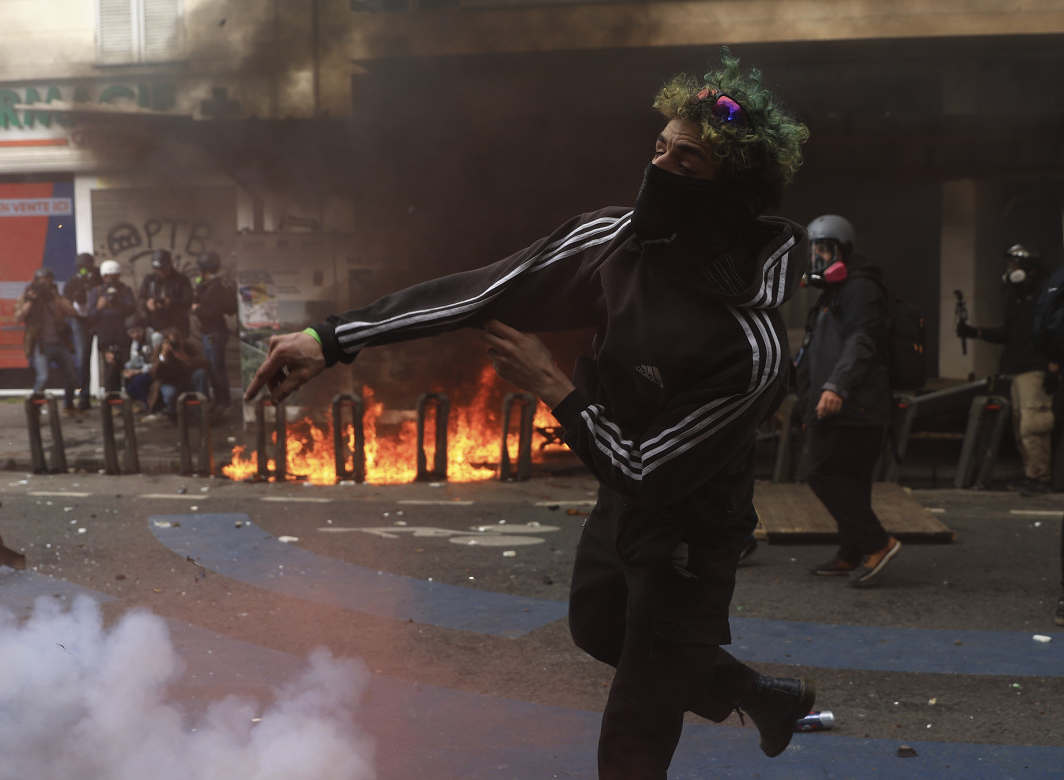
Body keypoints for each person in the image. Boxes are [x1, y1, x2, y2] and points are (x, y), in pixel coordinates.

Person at [245, 49, 815, 779]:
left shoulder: (753, 345)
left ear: (731, 192)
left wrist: (554, 387)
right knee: (597, 623)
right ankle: (758, 697)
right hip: (622, 500)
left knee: (638, 721)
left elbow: (651, 471)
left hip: (690, 529)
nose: (660, 167)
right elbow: (484, 290)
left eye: (689, 161)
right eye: (660, 146)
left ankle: (705, 687)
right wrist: (333, 338)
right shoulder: (615, 242)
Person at [794, 214, 901, 587]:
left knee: (822, 474)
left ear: (842, 250)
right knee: (852, 481)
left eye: (824, 248)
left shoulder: (860, 288)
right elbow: (816, 350)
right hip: (840, 402)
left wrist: (836, 387)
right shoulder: (833, 293)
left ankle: (877, 543)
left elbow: (863, 341)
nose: (816, 257)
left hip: (856, 403)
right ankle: (852, 552)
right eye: (813, 249)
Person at [958, 244, 1053, 496]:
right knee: (1020, 423)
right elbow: (1009, 334)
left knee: (1033, 425)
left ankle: (1040, 477)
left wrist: (1053, 365)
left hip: (1035, 369)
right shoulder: (1018, 297)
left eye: (1015, 265)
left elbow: (1054, 333)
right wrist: (975, 332)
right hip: (1019, 369)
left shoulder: (1045, 296)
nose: (1011, 270)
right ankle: (1030, 473)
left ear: (1029, 269)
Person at [14, 267, 80, 416]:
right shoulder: (27, 297)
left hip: (59, 343)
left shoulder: (55, 297)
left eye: (48, 282)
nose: (45, 286)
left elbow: (72, 312)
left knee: (72, 376)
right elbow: (18, 317)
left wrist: (55, 295)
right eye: (42, 283)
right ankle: (34, 409)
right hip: (41, 345)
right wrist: (31, 300)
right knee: (43, 377)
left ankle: (68, 405)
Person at [192, 250, 238, 415]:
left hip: (214, 333)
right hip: (210, 333)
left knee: (217, 369)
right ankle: (219, 401)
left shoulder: (215, 287)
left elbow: (212, 310)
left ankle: (224, 403)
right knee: (212, 369)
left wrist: (198, 309)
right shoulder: (208, 285)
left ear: (205, 269)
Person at [86, 259, 137, 393]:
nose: (112, 280)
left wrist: (118, 303)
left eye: (115, 277)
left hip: (123, 336)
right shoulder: (96, 292)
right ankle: (112, 402)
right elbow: (90, 316)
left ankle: (131, 398)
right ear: (104, 277)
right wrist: (99, 307)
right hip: (106, 337)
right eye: (110, 277)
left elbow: (132, 308)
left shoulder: (125, 290)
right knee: (110, 370)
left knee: (127, 366)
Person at [62, 252, 102, 412]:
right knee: (83, 359)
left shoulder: (99, 277)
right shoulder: (73, 282)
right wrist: (76, 298)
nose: (84, 270)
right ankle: (83, 396)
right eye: (81, 268)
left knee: (108, 353)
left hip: (98, 319)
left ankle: (111, 393)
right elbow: (66, 301)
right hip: (80, 320)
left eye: (86, 267)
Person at [146, 327, 209, 424]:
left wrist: (187, 359)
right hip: (168, 382)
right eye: (173, 342)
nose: (176, 344)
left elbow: (205, 364)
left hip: (187, 380)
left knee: (201, 373)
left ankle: (201, 413)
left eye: (179, 340)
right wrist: (162, 357)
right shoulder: (160, 349)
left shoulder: (189, 347)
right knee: (170, 392)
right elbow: (154, 374)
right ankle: (173, 415)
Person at [138, 249, 193, 350]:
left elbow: (188, 302)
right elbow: (140, 299)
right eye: (157, 269)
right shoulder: (149, 279)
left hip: (176, 327)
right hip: (155, 327)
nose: (160, 272)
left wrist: (171, 303)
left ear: (169, 265)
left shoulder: (181, 280)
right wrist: (147, 303)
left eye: (163, 269)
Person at [122, 315, 155, 413]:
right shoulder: (135, 343)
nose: (135, 335)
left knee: (140, 381)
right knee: (130, 389)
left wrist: (137, 371)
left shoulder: (154, 337)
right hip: (145, 370)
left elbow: (157, 363)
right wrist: (126, 369)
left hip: (157, 372)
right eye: (131, 333)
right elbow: (134, 362)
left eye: (138, 331)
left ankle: (153, 409)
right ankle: (145, 406)